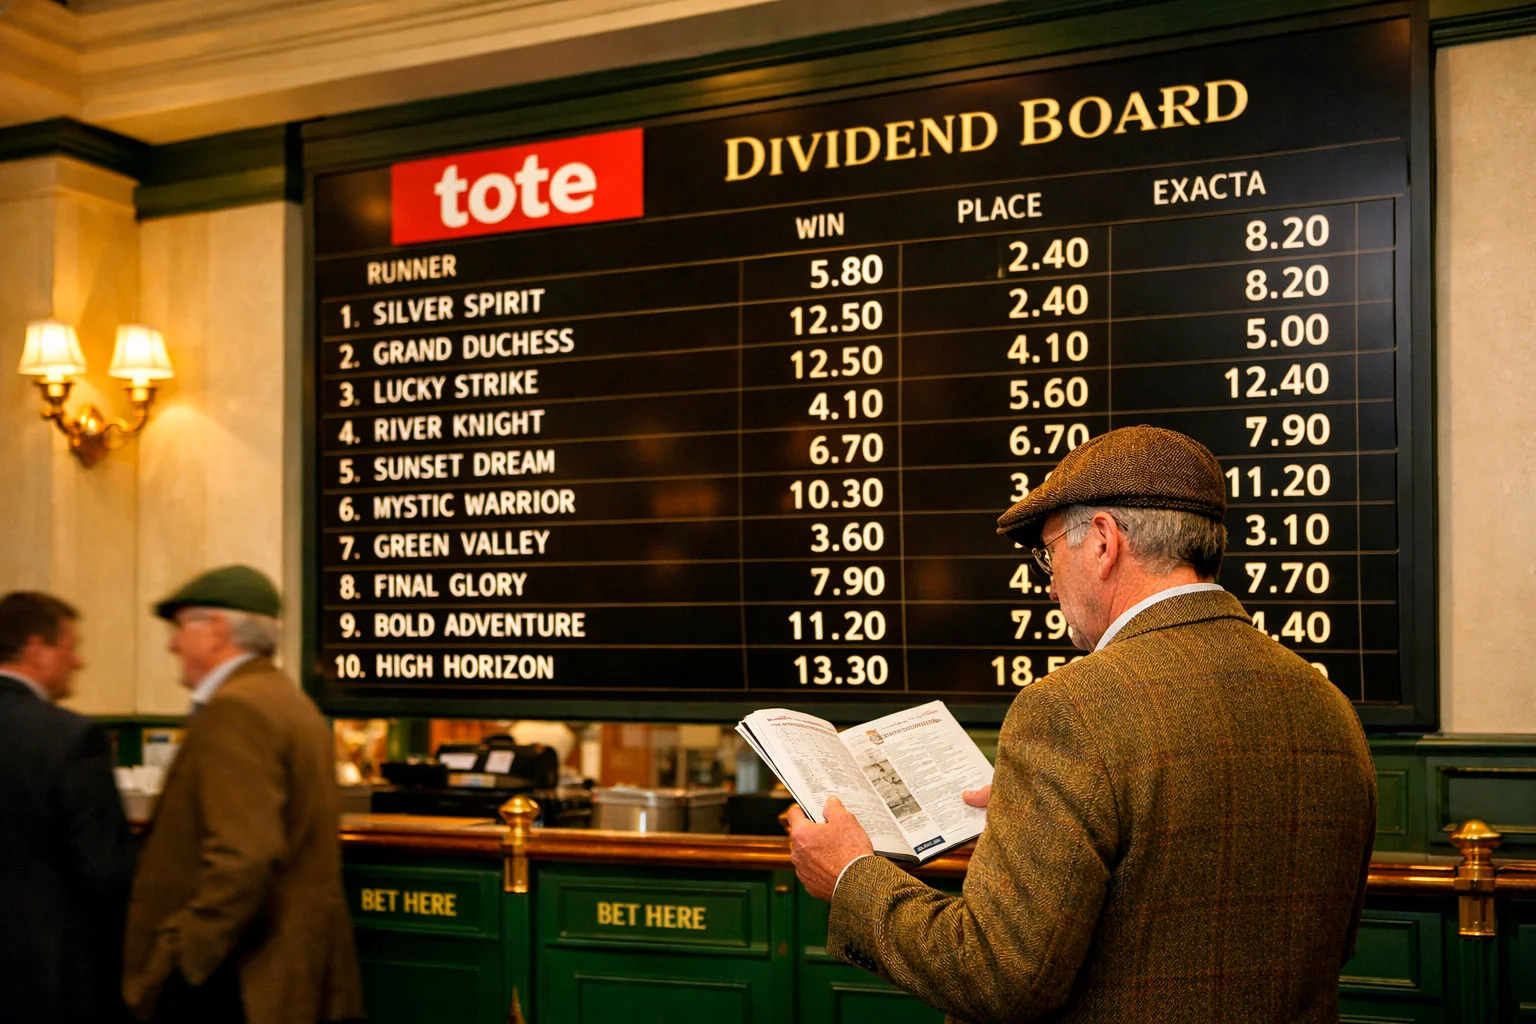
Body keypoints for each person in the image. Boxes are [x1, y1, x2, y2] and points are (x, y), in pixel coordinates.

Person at [787, 426, 1377, 1023]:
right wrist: (1043, 814)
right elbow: (1332, 942)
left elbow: (999, 976)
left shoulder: (1071, 708)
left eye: (1048, 554)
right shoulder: (1325, 702)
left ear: (1102, 542)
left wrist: (851, 876)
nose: (1047, 585)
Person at [122, 565, 362, 1024]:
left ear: (215, 630)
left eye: (180, 628)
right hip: (284, 971)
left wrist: (181, 956)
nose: (173, 645)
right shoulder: (284, 699)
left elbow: (245, 855)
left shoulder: (237, 710)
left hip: (238, 980)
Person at [0, 592, 137, 1023]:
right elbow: (104, 869)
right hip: (46, 972)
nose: (78, 662)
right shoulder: (71, 739)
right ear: (37, 650)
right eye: (70, 647)